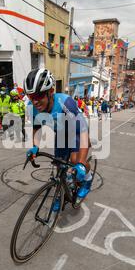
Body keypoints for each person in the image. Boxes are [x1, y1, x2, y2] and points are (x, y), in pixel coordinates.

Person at [25, 68, 93, 209]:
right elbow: (37, 127)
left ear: (51, 92)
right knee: (59, 166)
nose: (35, 101)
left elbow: (82, 131)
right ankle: (60, 194)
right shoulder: (32, 107)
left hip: (77, 132)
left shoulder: (65, 103)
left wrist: (80, 163)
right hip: (61, 135)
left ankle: (87, 179)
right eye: (31, 97)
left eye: (39, 96)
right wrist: (35, 146)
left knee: (76, 161)